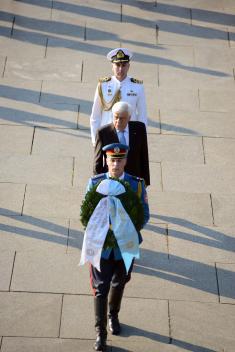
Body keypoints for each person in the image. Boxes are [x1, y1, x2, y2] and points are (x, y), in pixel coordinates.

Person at [80, 143, 149, 351]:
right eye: (112, 160)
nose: (116, 164)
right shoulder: (95, 183)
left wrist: (125, 227)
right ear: (106, 161)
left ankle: (113, 315)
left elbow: (144, 215)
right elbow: (86, 213)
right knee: (100, 289)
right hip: (101, 247)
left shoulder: (136, 185)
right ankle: (100, 333)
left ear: (125, 161)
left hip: (125, 245)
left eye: (120, 160)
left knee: (120, 283)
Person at [90, 47, 148, 146]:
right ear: (112, 66)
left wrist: (141, 140)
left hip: (129, 135)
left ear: (128, 66)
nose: (120, 69)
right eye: (117, 65)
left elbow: (142, 117)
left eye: (124, 65)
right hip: (107, 134)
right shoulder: (103, 85)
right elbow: (95, 116)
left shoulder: (137, 86)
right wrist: (96, 141)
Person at [93, 101, 150, 186]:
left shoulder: (139, 129)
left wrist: (145, 182)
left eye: (122, 118)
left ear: (129, 118)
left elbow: (144, 156)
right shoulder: (103, 132)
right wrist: (98, 184)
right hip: (111, 181)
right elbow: (97, 162)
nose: (118, 121)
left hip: (133, 180)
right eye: (116, 117)